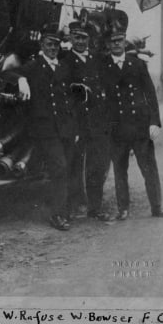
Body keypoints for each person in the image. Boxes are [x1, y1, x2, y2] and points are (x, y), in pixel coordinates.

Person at [102, 22, 163, 220]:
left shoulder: (137, 64)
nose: (116, 44)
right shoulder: (103, 66)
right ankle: (123, 209)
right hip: (117, 128)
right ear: (107, 44)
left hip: (139, 126)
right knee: (120, 171)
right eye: (112, 41)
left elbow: (150, 94)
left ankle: (156, 207)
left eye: (119, 40)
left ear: (124, 42)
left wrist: (155, 122)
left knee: (149, 168)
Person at [17, 22, 78, 230]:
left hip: (65, 127)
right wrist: (21, 80)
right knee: (59, 168)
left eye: (56, 45)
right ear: (41, 45)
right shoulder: (33, 66)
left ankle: (64, 208)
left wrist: (73, 126)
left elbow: (71, 96)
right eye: (49, 44)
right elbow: (8, 73)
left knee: (66, 168)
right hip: (45, 129)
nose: (53, 48)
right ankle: (57, 215)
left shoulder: (63, 67)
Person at [62, 20, 113, 220]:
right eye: (77, 37)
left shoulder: (97, 59)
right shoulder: (64, 59)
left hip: (96, 120)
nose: (81, 41)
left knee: (96, 165)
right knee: (74, 164)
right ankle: (74, 206)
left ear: (90, 40)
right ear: (71, 38)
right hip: (76, 120)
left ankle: (95, 207)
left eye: (84, 38)